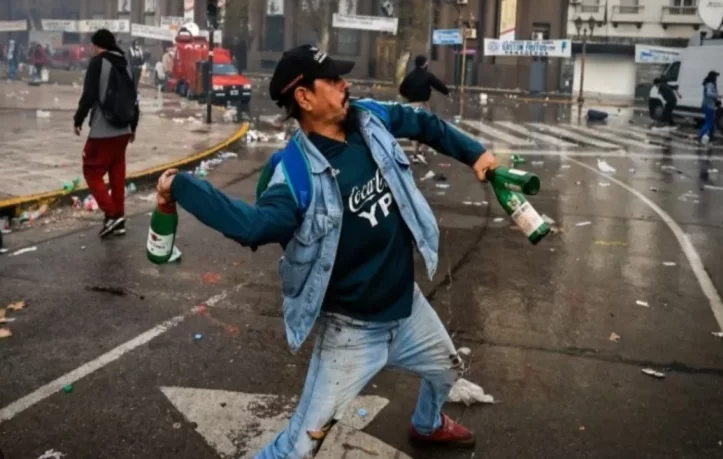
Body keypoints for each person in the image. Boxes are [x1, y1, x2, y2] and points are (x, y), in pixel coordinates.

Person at [156, 44, 496, 458]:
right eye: (332, 80)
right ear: (304, 97)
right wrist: (182, 186)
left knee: (447, 371)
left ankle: (427, 424)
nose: (344, 85)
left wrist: (474, 153)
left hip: (408, 308)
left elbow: (422, 122)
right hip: (352, 333)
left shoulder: (368, 118)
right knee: (297, 449)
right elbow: (253, 226)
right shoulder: (294, 172)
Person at [74, 29, 139, 238]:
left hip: (104, 130)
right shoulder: (125, 63)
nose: (92, 49)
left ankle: (112, 215)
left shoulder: (98, 63)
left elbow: (89, 95)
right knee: (116, 172)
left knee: (91, 170)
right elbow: (134, 97)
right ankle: (118, 220)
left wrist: (78, 120)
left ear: (98, 45)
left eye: (93, 45)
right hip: (124, 129)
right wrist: (133, 126)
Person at [398, 55, 450, 153]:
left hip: (411, 104)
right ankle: (420, 148)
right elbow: (437, 84)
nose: (427, 64)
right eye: (426, 62)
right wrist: (446, 92)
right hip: (423, 104)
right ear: (424, 63)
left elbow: (402, 89)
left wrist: (409, 96)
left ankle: (415, 150)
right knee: (425, 126)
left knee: (413, 127)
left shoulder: (410, 76)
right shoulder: (427, 75)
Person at [698, 70, 722, 145]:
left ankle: (711, 138)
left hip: (709, 105)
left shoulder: (710, 84)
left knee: (712, 122)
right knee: (709, 123)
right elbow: (709, 93)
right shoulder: (710, 84)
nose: (716, 78)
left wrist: (716, 101)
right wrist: (718, 96)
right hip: (708, 106)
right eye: (715, 76)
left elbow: (710, 95)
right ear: (712, 77)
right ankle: (700, 137)